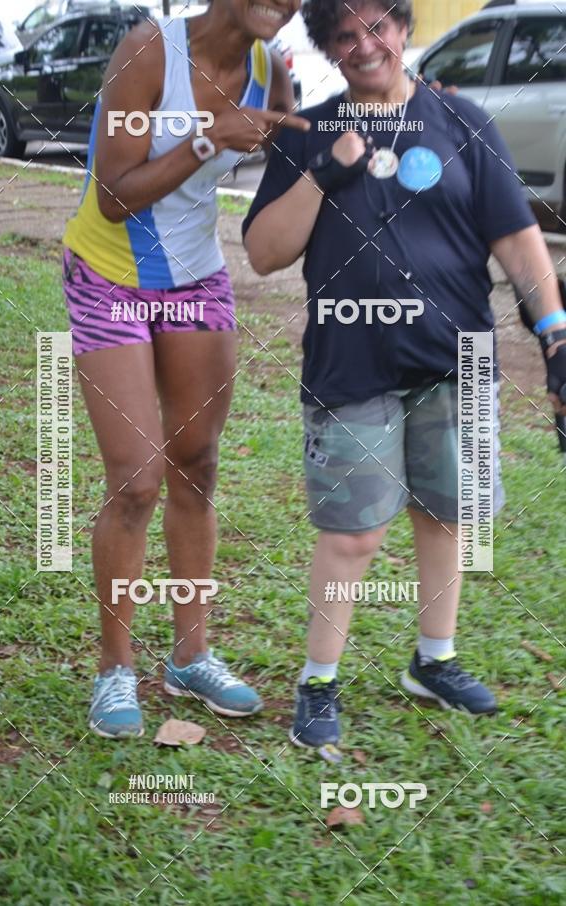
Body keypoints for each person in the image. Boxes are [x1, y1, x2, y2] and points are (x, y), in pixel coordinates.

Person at [243, 0, 566, 754]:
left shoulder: (464, 123)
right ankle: (318, 679)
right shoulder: (311, 130)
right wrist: (328, 169)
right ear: (327, 47)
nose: (365, 46)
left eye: (379, 27)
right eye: (345, 35)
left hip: (459, 357)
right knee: (352, 533)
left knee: (448, 513)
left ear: (403, 28)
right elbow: (262, 251)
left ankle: (435, 659)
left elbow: (517, 241)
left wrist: (554, 335)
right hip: (351, 363)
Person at [62, 0, 309, 738]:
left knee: (196, 465)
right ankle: (114, 668)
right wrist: (207, 142)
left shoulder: (271, 72)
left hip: (197, 276)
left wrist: (394, 118)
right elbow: (112, 196)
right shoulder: (149, 53)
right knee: (137, 478)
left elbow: (289, 165)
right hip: (108, 273)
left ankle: (191, 654)